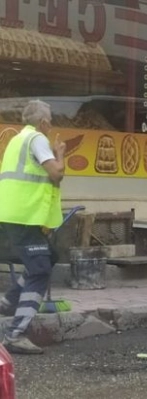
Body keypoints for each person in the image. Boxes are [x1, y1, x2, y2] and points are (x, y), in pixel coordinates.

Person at [0, 100, 66, 354]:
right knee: (39, 269)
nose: (50, 126)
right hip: (24, 215)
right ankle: (16, 333)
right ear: (43, 122)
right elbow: (56, 173)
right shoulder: (37, 139)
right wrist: (59, 152)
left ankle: (9, 302)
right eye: (50, 121)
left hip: (16, 214)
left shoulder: (18, 139)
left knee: (49, 257)